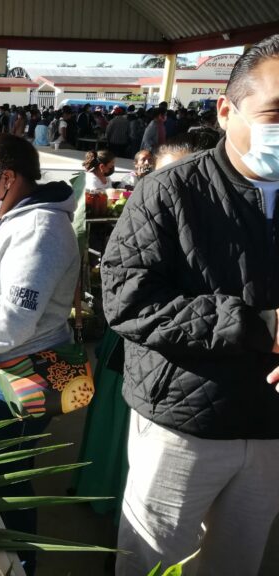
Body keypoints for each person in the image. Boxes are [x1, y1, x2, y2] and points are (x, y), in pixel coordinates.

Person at [102, 34, 279, 576]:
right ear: (226, 111)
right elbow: (128, 300)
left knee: (237, 562)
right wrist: (261, 326)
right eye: (276, 113)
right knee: (152, 561)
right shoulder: (168, 191)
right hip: (184, 423)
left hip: (270, 429)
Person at [0, 134, 79, 574]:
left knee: (8, 482)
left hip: (17, 377)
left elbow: (15, 320)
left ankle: (21, 564)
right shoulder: (17, 216)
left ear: (7, 178)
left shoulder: (41, 228)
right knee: (1, 475)